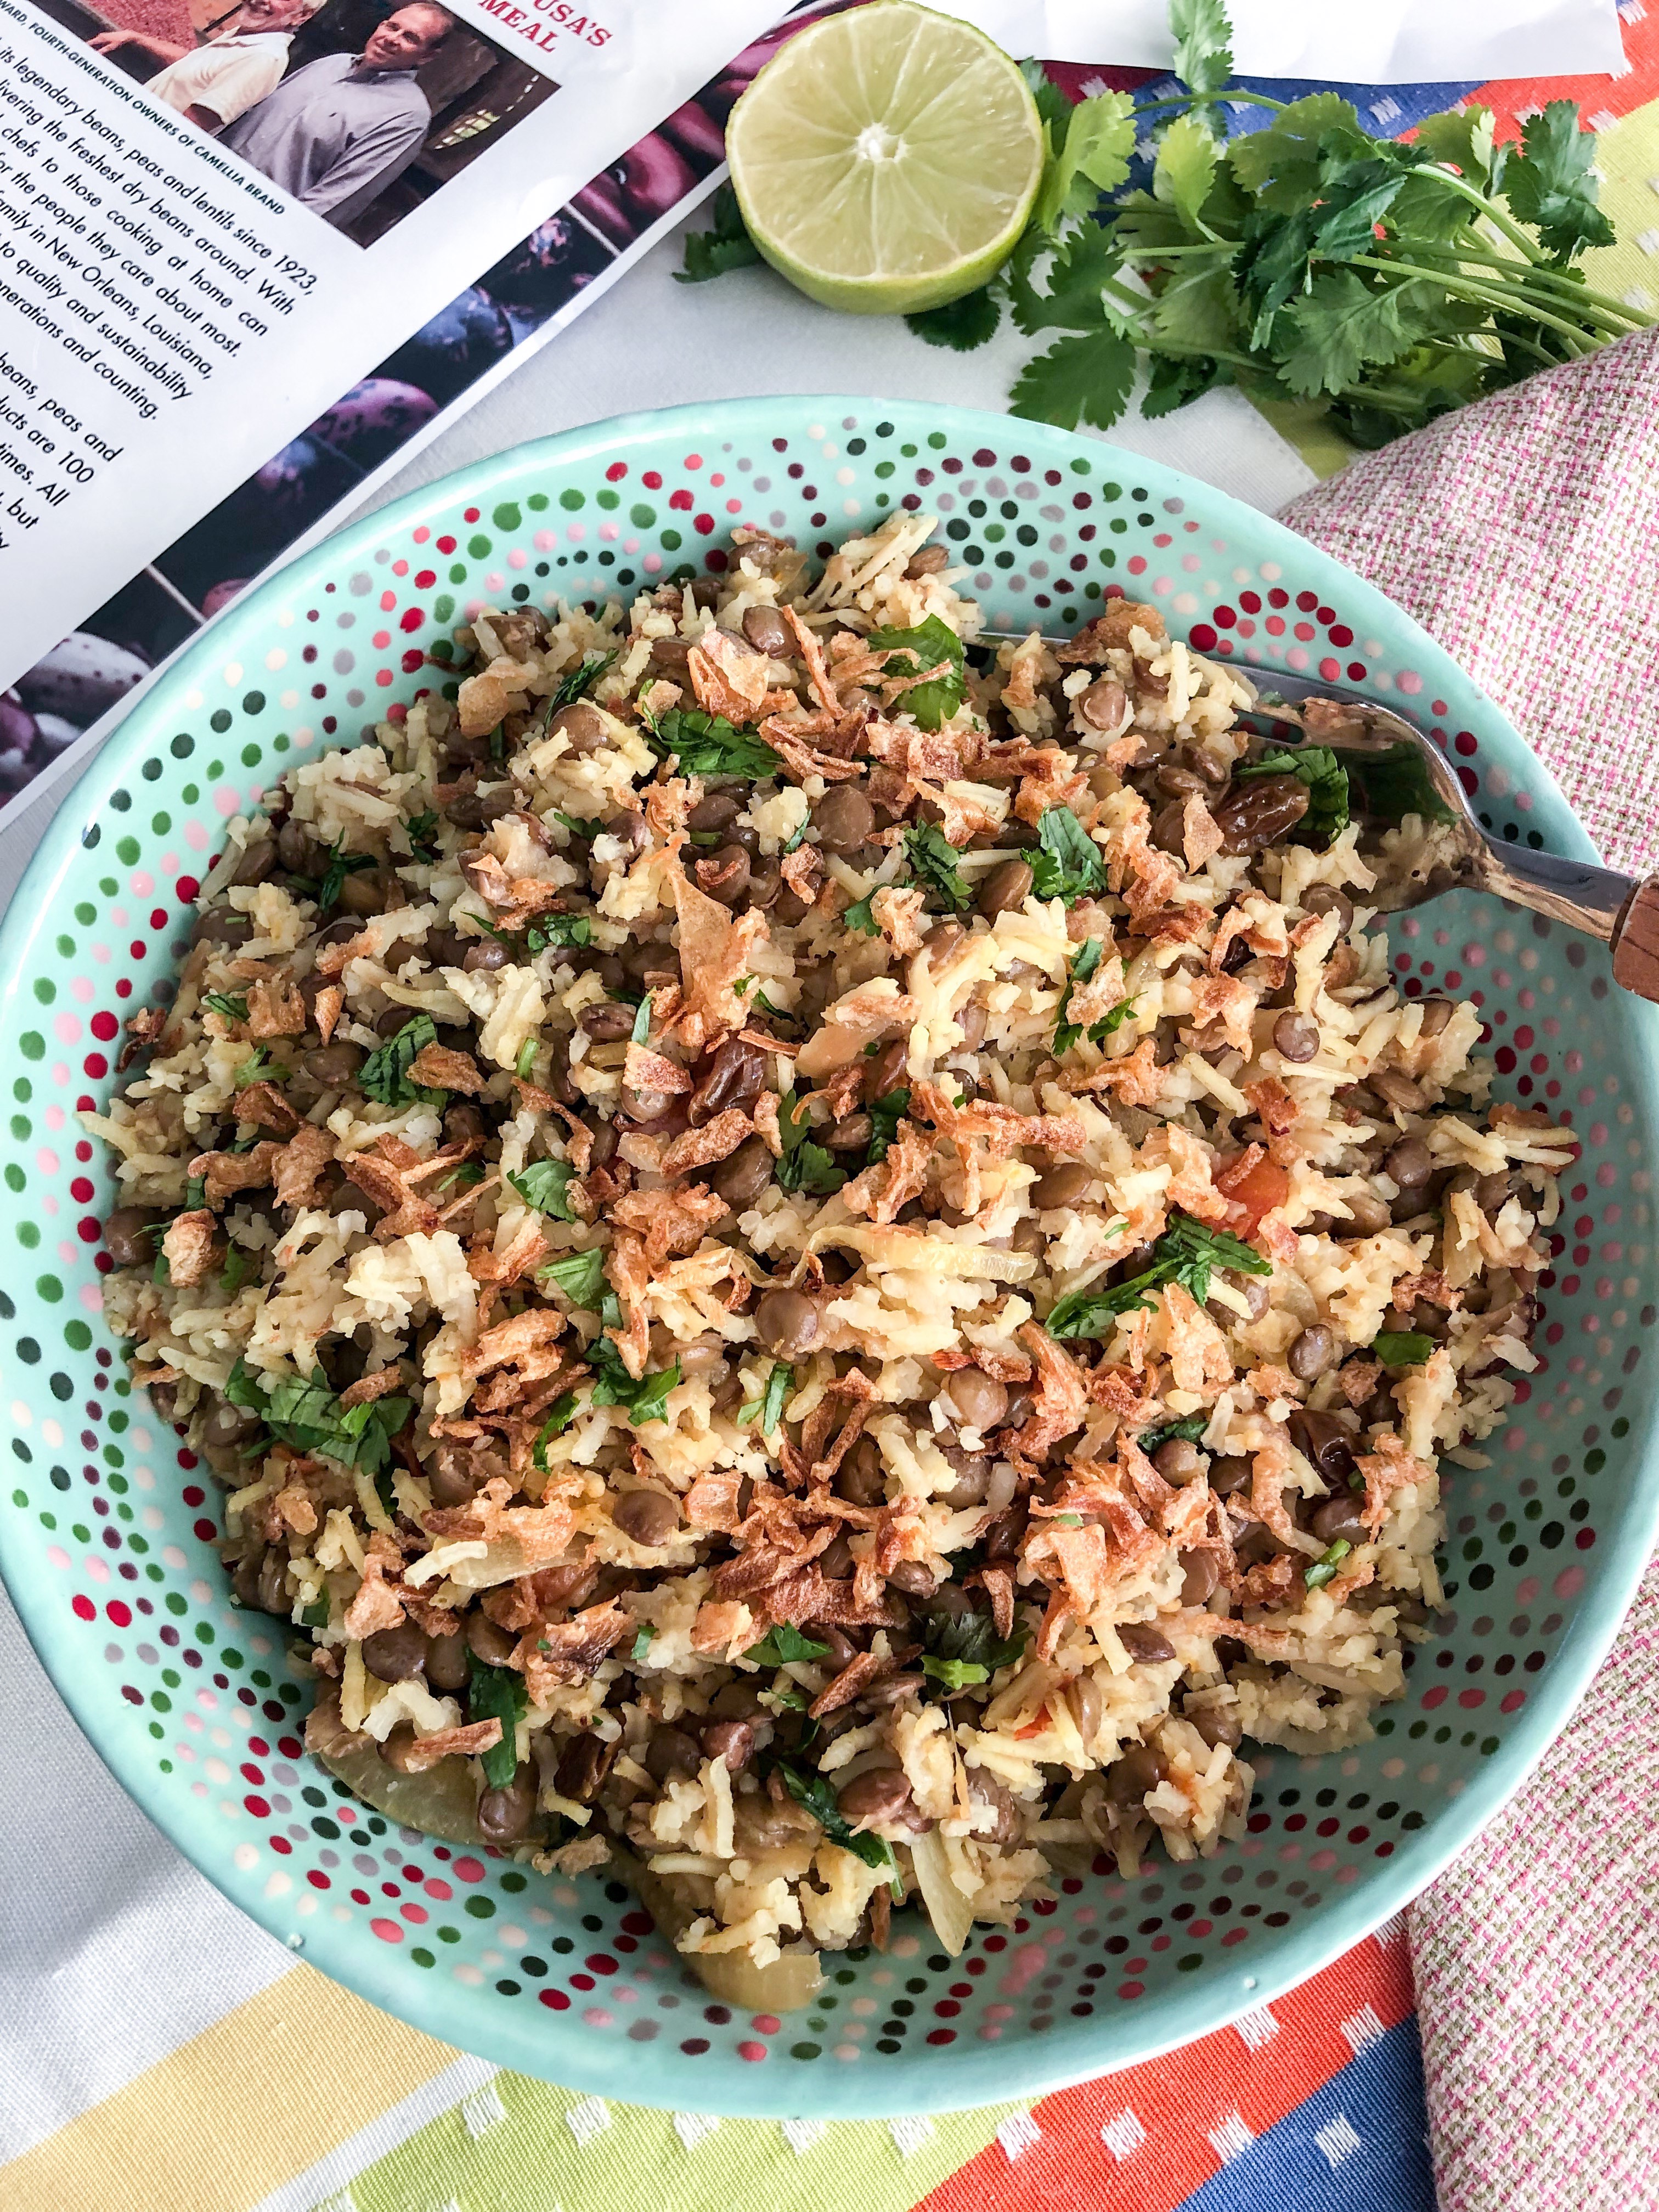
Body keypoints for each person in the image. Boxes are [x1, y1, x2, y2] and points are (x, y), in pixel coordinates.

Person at [221, 3, 455, 228]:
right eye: (392, 27)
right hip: (212, 181)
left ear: (427, 56)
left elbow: (335, 200)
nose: (392, 39)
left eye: (410, 38)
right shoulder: (331, 64)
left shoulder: (407, 117)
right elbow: (248, 120)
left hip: (255, 221)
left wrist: (268, 233)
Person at [89, 0, 320, 136]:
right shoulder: (246, 35)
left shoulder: (263, 58)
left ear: (301, 16)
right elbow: (196, 64)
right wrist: (137, 38)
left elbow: (188, 128)